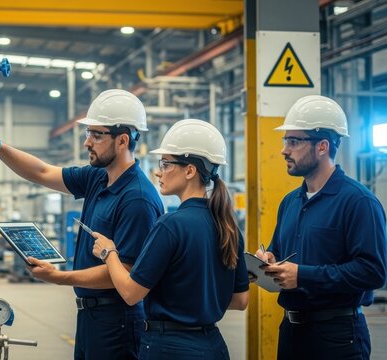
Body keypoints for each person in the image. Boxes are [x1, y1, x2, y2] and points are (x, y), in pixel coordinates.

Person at [0, 89, 164, 360]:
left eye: (96, 134)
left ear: (122, 140)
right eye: (87, 133)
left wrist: (59, 278)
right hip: (92, 316)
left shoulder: (136, 199)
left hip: (118, 321)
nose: (87, 142)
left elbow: (125, 273)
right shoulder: (98, 177)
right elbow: (43, 172)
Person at [92, 119, 250, 360]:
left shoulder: (170, 225)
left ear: (189, 171)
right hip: (213, 346)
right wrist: (200, 301)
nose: (158, 171)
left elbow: (131, 293)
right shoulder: (228, 227)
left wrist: (109, 253)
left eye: (165, 164)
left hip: (169, 347)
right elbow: (240, 300)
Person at [255, 95, 387, 360]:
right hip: (291, 332)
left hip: (336, 337)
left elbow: (374, 272)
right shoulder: (290, 202)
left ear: (323, 146)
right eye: (285, 141)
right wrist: (268, 259)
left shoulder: (358, 202)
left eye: (293, 141)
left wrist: (303, 276)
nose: (284, 150)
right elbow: (279, 251)